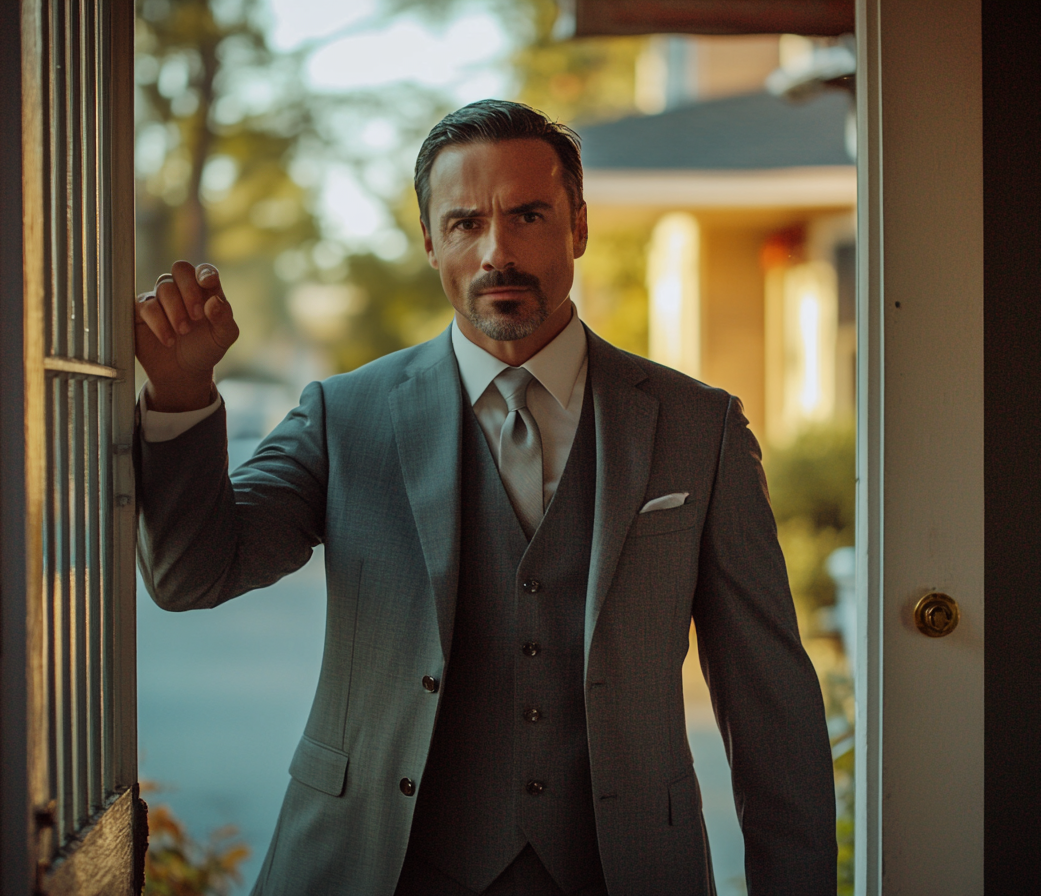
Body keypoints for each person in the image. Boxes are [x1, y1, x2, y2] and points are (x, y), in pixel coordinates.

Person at [135, 99, 835, 896]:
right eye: (465, 222)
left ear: (577, 225)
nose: (496, 251)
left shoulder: (698, 428)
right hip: (379, 865)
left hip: (624, 869)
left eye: (528, 215)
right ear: (431, 242)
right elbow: (192, 576)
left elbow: (768, 697)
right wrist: (184, 391)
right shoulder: (344, 417)